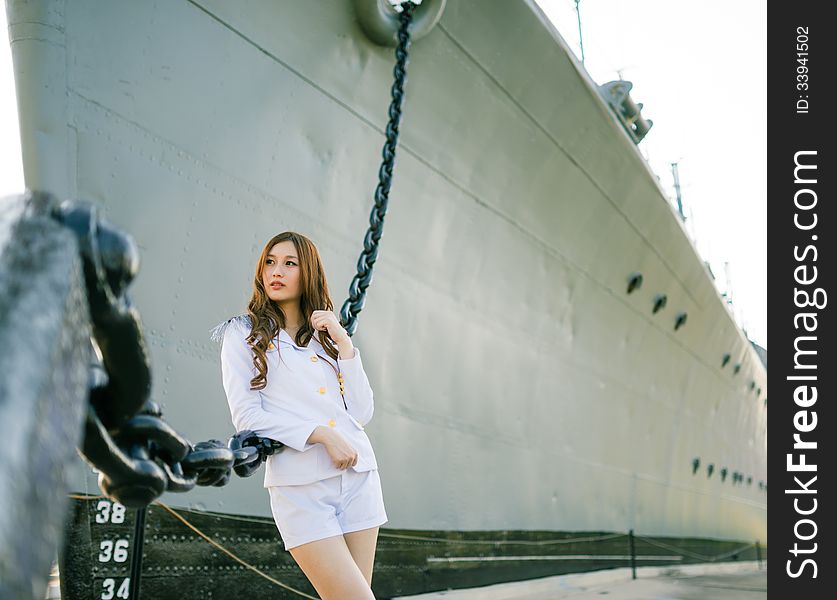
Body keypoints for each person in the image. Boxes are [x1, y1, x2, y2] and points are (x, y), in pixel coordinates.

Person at [211, 231, 387, 600]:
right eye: (270, 263)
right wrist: (320, 433)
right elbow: (247, 417)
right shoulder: (242, 333)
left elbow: (362, 410)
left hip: (359, 481)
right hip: (301, 488)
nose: (276, 271)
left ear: (308, 272)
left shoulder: (326, 337)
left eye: (289, 263)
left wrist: (344, 344)